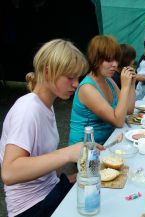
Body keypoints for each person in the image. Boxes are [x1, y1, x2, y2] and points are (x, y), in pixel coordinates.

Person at [0, 39, 103, 217]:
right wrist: (67, 153)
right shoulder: (28, 109)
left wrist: (70, 176)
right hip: (31, 208)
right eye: (70, 77)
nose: (76, 84)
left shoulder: (46, 105)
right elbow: (9, 172)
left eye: (77, 78)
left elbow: (46, 163)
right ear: (48, 72)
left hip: (49, 192)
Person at [69, 35, 136, 145]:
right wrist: (125, 88)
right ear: (95, 59)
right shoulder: (87, 88)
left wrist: (132, 84)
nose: (115, 64)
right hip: (86, 152)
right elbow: (118, 122)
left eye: (116, 59)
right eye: (108, 59)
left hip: (108, 142)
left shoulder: (108, 80)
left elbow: (128, 110)